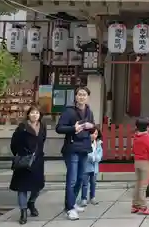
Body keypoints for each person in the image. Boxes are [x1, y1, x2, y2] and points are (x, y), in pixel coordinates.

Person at [56, 86, 95, 221]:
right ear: (75, 96)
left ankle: (72, 203)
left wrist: (92, 127)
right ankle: (70, 208)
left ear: (88, 97)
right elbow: (59, 128)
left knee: (80, 178)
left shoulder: (89, 111)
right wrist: (73, 128)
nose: (82, 97)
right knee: (71, 179)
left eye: (84, 95)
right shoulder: (69, 111)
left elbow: (92, 126)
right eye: (79, 94)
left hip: (84, 147)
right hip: (72, 148)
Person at [10, 105, 46, 225]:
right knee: (22, 188)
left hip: (37, 161)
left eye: (37, 113)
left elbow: (42, 141)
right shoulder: (22, 127)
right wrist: (20, 155)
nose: (34, 115)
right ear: (28, 115)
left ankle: (31, 203)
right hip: (24, 161)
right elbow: (14, 144)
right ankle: (23, 212)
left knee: (37, 186)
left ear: (40, 115)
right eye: (32, 113)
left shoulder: (43, 127)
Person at [132, 117, 149, 215]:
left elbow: (133, 149)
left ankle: (135, 205)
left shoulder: (136, 136)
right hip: (146, 162)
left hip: (137, 161)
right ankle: (143, 207)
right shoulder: (147, 137)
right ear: (148, 127)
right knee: (143, 186)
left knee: (138, 184)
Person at [79, 128, 103, 206]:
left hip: (95, 167)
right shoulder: (85, 143)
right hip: (86, 166)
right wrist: (92, 158)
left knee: (93, 183)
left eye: (96, 134)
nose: (94, 135)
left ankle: (92, 197)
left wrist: (97, 158)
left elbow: (100, 153)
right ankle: (84, 198)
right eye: (92, 133)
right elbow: (86, 153)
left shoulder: (98, 143)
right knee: (85, 183)